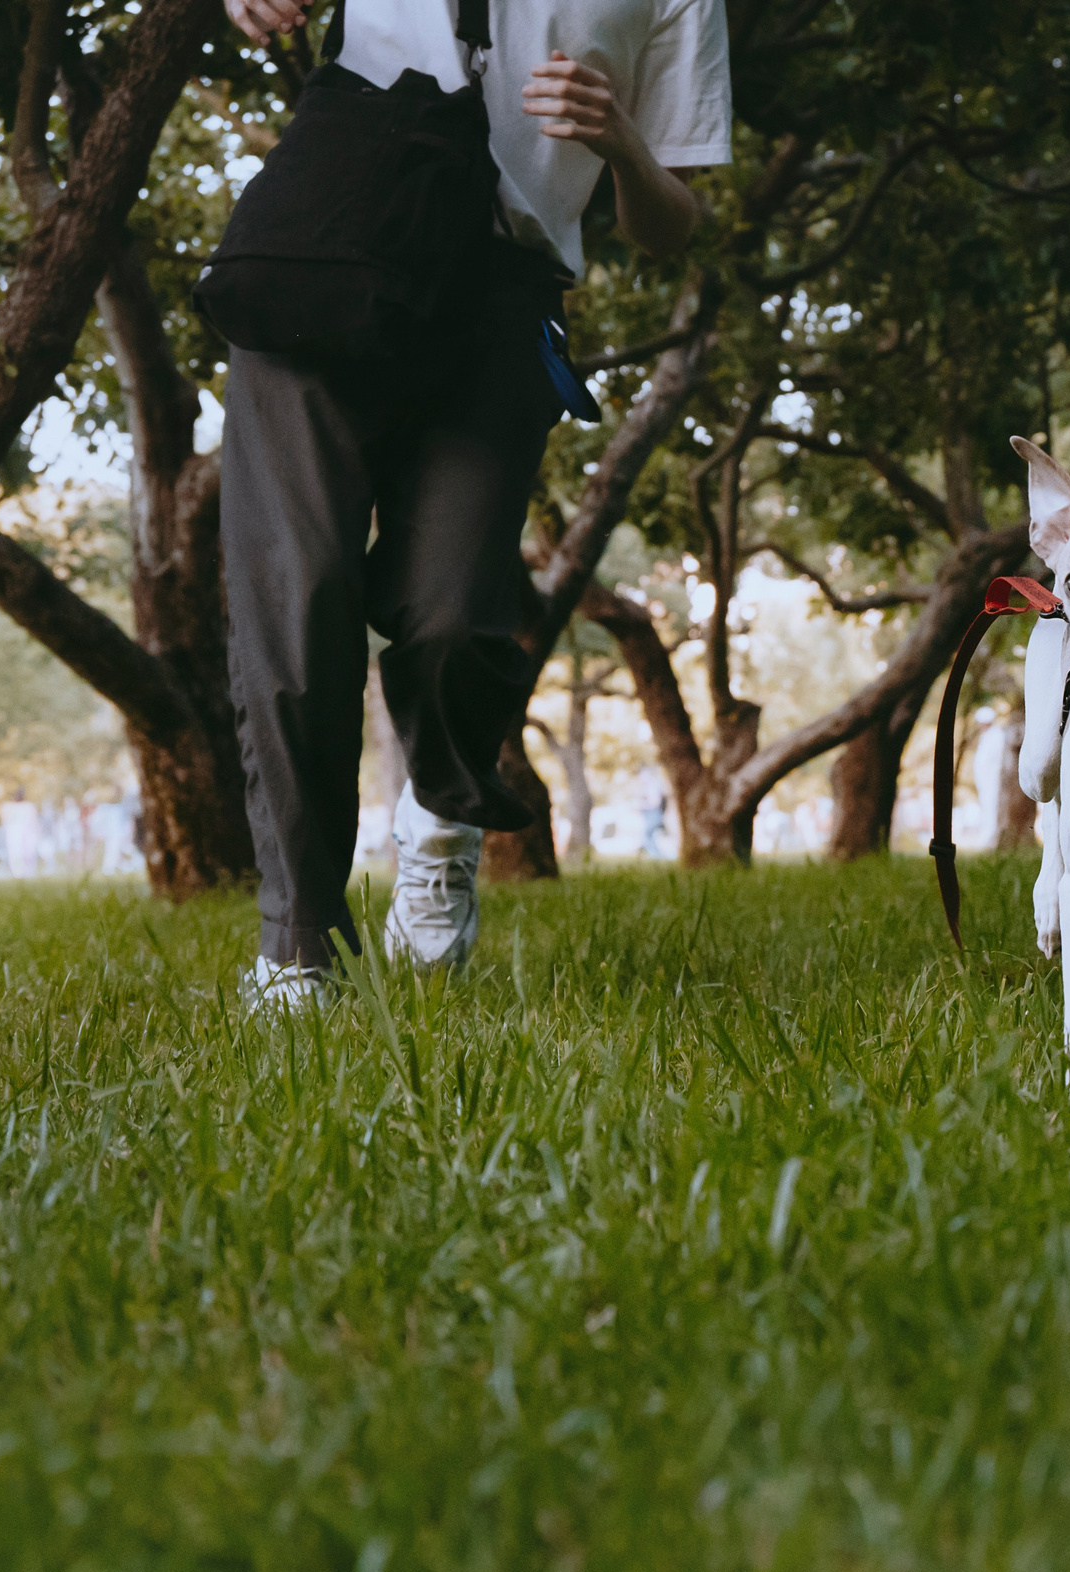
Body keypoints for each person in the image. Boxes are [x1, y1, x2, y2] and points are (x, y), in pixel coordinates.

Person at [218, 0, 730, 1008]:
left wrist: (622, 143)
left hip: (502, 293)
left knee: (456, 612)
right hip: (333, 241)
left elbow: (670, 223)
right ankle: (298, 950)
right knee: (298, 592)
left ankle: (440, 811)